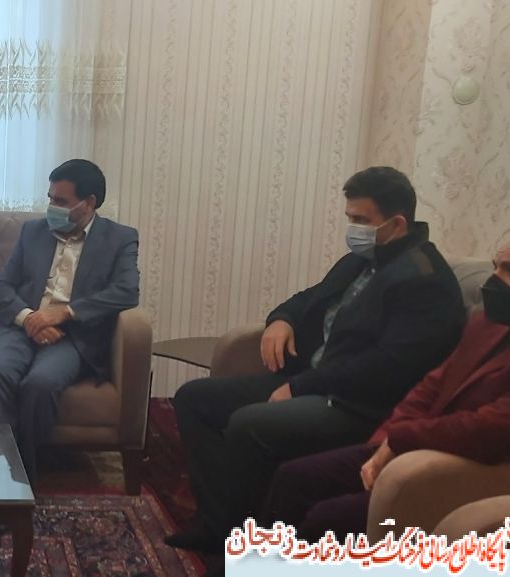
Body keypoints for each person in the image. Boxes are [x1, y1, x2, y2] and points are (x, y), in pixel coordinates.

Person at [168, 167, 466, 559]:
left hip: (356, 404)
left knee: (248, 425)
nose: (353, 229)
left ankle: (245, 550)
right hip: (314, 379)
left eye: (362, 220)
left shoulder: (424, 280)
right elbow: (307, 298)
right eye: (350, 218)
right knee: (194, 398)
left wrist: (301, 386)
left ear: (397, 224)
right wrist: (281, 320)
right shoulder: (362, 260)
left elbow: (388, 366)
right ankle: (217, 525)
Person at [263, 233, 510, 540]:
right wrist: (386, 440)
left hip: (482, 474)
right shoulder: (492, 322)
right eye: (496, 267)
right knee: (294, 478)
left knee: (328, 520)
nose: (495, 281)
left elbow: (490, 429)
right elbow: (433, 384)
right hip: (425, 446)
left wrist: (401, 441)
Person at [0, 159, 140, 476]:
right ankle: (2, 471)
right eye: (50, 198)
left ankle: (21, 476)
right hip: (23, 326)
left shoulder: (119, 238)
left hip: (72, 335)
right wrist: (29, 319)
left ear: (89, 203)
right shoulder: (33, 231)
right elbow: (1, 286)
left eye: (61, 201)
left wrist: (65, 313)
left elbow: (127, 291)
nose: (52, 207)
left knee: (41, 383)